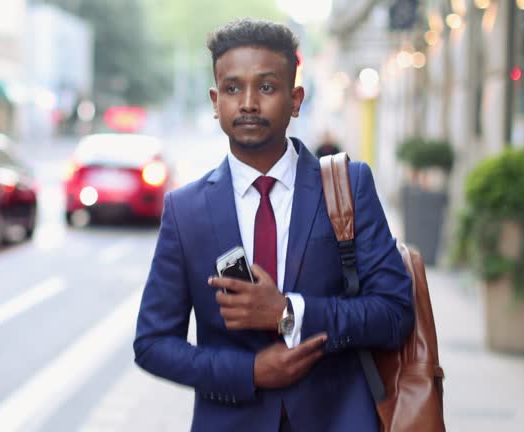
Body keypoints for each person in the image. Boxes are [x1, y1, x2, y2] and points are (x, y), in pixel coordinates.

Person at [134, 18, 414, 432]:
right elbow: (153, 344)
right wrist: (249, 372)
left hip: (337, 419)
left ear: (295, 98)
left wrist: (288, 311)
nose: (248, 102)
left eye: (266, 87)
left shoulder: (347, 187)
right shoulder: (185, 210)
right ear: (215, 102)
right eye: (232, 88)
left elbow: (394, 314)